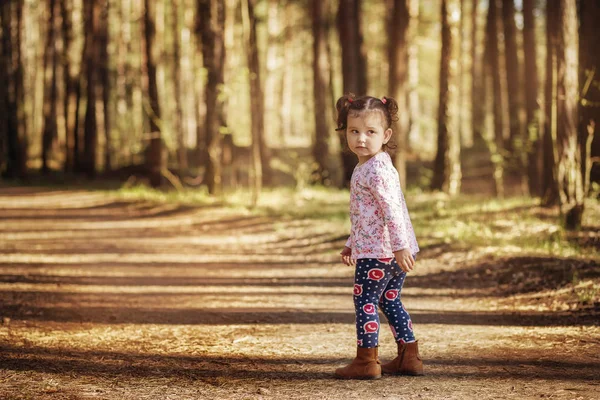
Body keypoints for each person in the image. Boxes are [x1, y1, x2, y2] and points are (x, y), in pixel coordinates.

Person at [333, 94, 423, 380]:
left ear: (385, 135)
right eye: (354, 131)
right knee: (390, 298)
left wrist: (398, 246)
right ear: (345, 131)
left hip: (382, 252)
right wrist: (351, 242)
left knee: (366, 301)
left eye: (370, 132)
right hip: (388, 249)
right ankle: (409, 356)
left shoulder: (375, 170)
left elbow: (392, 212)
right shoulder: (375, 165)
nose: (361, 138)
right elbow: (366, 216)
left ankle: (366, 360)